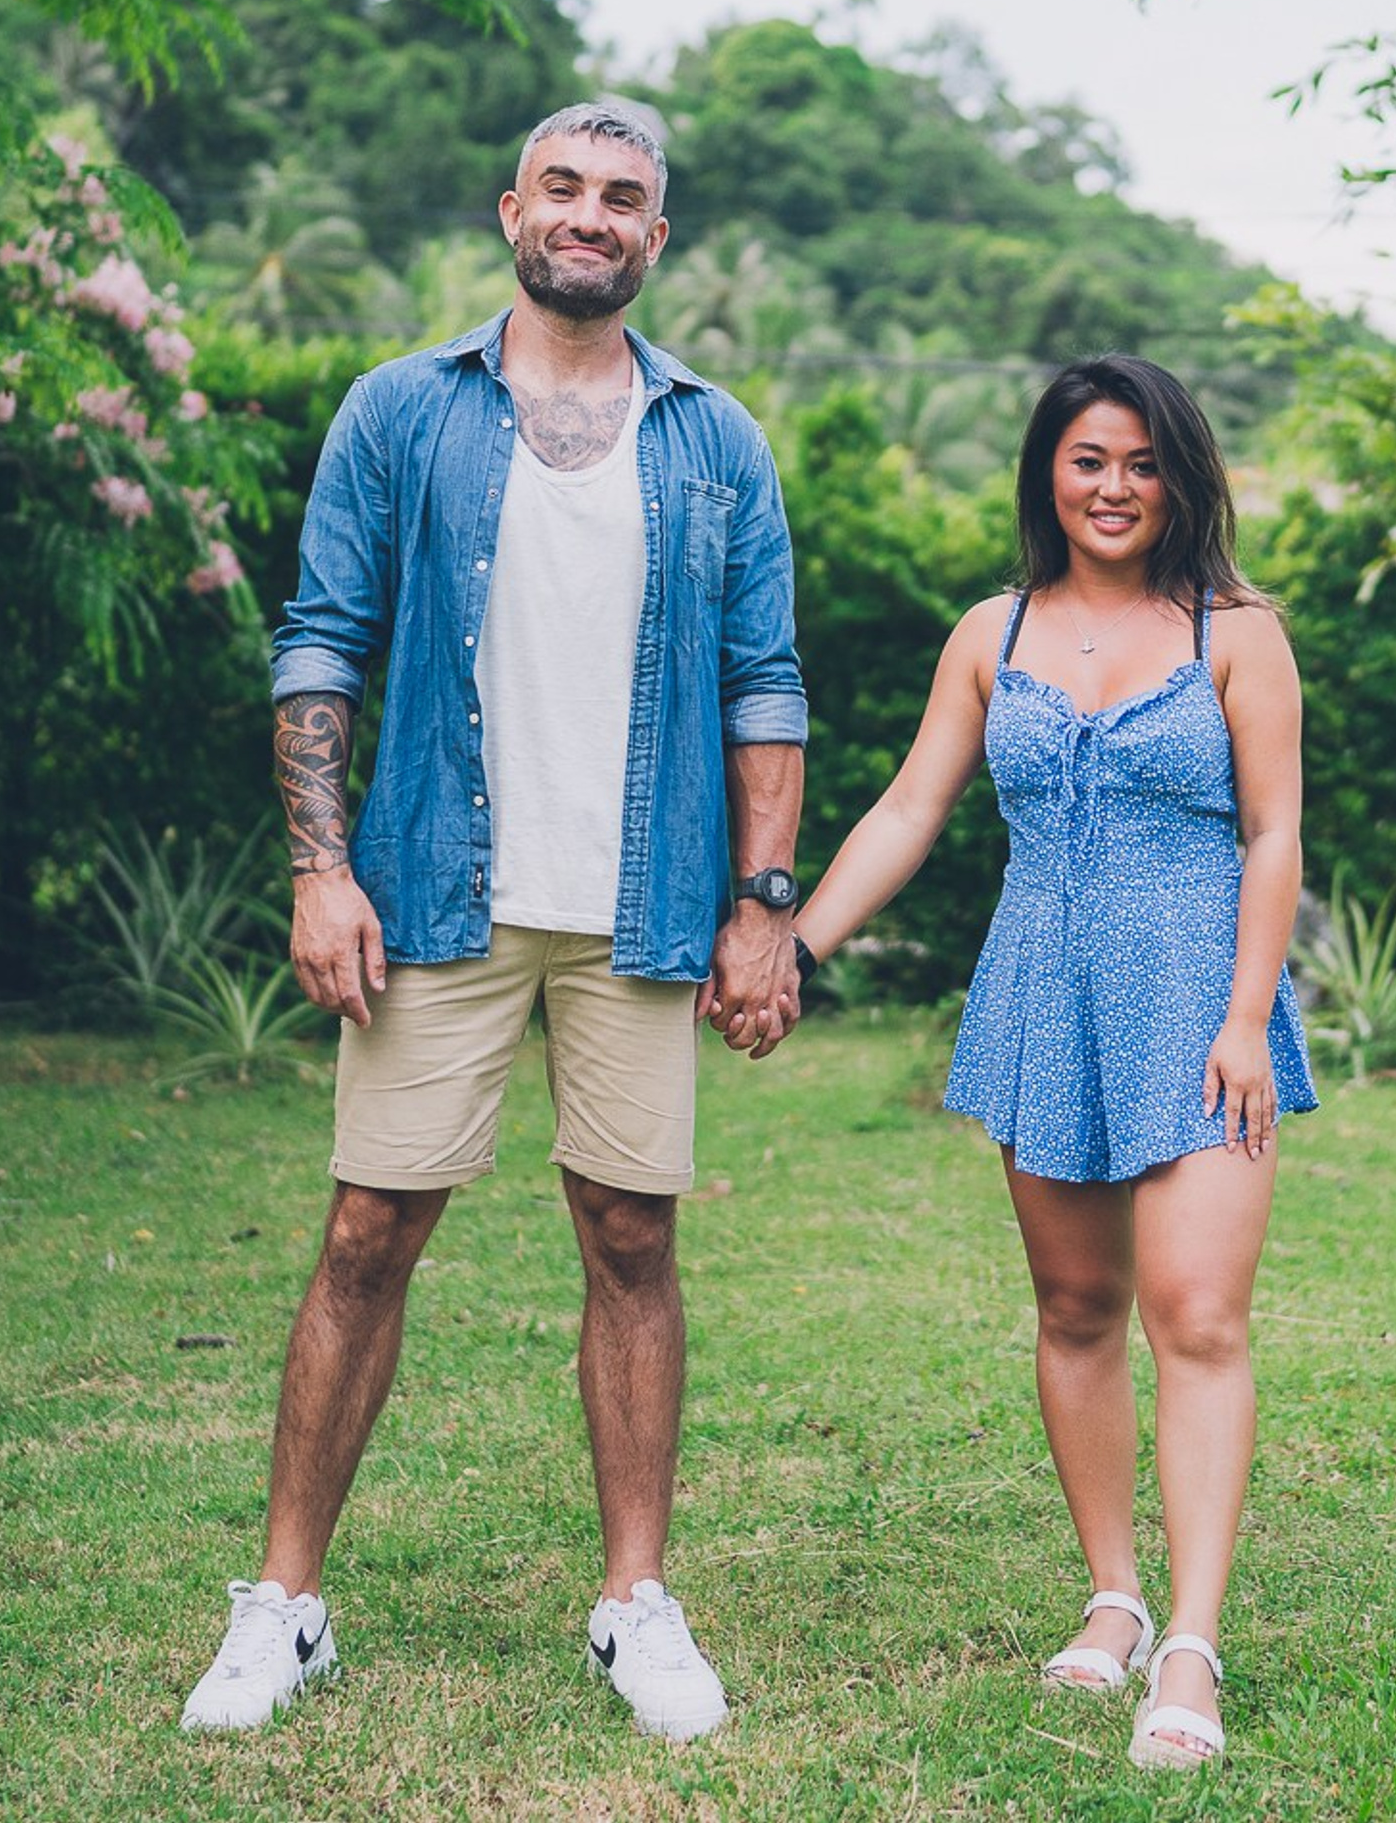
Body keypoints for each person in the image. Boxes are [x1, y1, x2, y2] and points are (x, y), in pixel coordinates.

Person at [179, 102, 806, 1745]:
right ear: (510, 208)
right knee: (366, 1238)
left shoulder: (717, 439)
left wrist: (764, 905)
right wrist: (324, 871)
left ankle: (635, 1606)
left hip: (643, 913)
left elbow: (766, 683)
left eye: (626, 199)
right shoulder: (403, 412)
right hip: (437, 898)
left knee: (633, 1240)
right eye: (566, 190)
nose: (591, 218)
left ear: (656, 239)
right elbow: (320, 639)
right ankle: (283, 1607)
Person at [791, 354, 1314, 1772]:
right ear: (1048, 474)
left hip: (1203, 1000)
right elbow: (911, 808)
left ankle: (1192, 1648)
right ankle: (1115, 1597)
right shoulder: (992, 627)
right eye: (1089, 460)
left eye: (1142, 462)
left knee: (1197, 1316)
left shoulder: (1236, 631)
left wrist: (1248, 1015)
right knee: (1075, 1304)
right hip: (1045, 988)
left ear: (1181, 476)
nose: (1116, 487)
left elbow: (1275, 833)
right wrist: (797, 947)